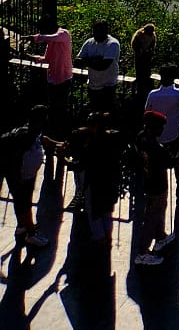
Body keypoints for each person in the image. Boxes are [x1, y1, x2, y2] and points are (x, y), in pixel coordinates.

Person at [1, 105, 60, 249]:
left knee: (22, 200)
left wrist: (58, 144)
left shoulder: (34, 131)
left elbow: (42, 139)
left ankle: (22, 225)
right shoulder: (24, 137)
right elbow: (14, 160)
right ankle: (31, 234)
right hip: (15, 171)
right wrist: (17, 180)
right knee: (23, 201)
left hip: (25, 173)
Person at [69, 111, 123, 242]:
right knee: (107, 210)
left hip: (94, 182)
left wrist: (67, 160)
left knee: (93, 209)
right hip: (110, 180)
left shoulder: (92, 144)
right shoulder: (113, 138)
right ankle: (107, 234)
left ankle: (98, 235)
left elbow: (82, 163)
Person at [131, 111, 173, 266]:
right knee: (152, 217)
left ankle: (160, 236)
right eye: (160, 127)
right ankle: (142, 252)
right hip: (158, 184)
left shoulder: (141, 138)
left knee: (155, 211)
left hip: (147, 182)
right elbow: (170, 162)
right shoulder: (157, 148)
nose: (162, 130)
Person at [143, 65, 179, 195]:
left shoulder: (153, 94)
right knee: (176, 157)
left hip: (157, 133)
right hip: (173, 132)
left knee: (155, 158)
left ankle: (155, 181)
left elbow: (147, 108)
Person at [30, 26, 73, 136]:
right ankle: (53, 132)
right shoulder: (51, 42)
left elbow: (55, 37)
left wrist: (38, 38)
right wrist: (36, 58)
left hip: (63, 78)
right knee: (53, 108)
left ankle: (61, 133)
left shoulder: (64, 33)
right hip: (52, 78)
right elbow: (47, 59)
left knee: (61, 108)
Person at [77, 21, 122, 114]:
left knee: (106, 115)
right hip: (92, 85)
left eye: (100, 31)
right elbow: (77, 61)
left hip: (108, 87)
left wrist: (87, 60)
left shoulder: (112, 44)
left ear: (106, 31)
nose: (97, 33)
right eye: (95, 31)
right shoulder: (89, 42)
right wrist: (95, 60)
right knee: (94, 114)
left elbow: (103, 66)